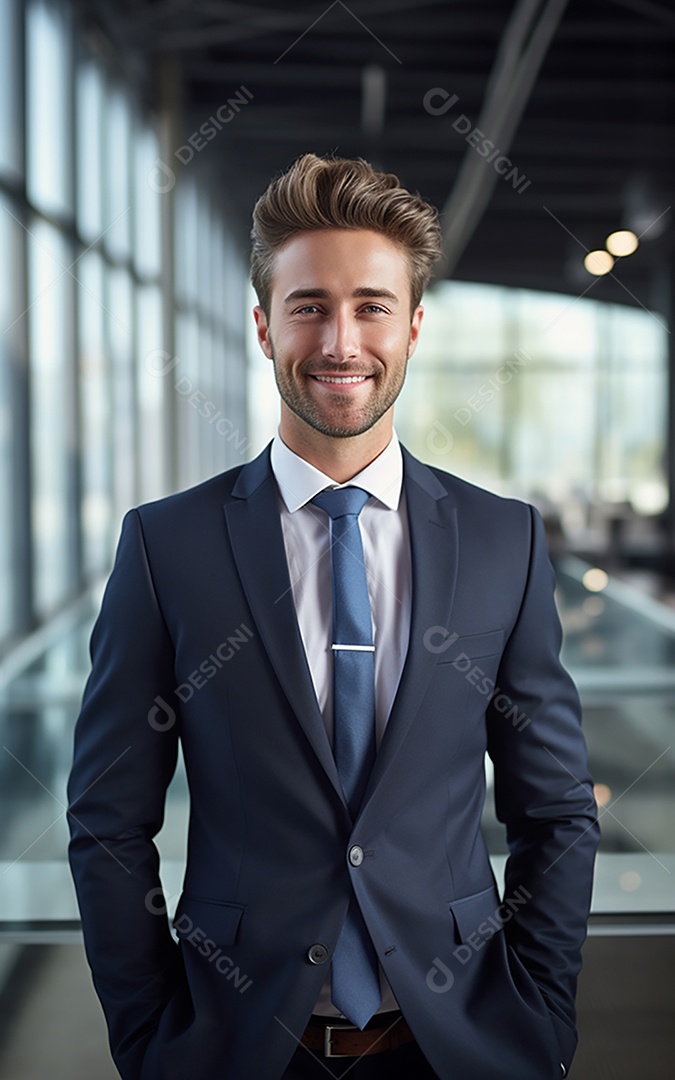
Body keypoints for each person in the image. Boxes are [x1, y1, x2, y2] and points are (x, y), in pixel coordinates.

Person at [68, 153, 600, 1080]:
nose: (340, 340)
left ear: (415, 326)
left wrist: (542, 1016)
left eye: (371, 306)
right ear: (262, 325)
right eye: (309, 305)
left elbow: (553, 811)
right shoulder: (167, 547)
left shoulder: (500, 540)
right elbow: (108, 822)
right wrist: (148, 1039)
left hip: (462, 1046)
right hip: (234, 1049)